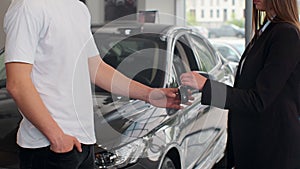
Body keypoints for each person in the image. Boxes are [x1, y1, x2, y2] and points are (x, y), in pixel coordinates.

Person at [3, 0, 181, 169]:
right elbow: (17, 83)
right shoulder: (28, 7)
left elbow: (96, 68)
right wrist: (57, 137)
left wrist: (148, 94)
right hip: (48, 147)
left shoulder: (78, 9)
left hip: (83, 143)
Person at [181, 0, 300, 168]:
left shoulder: (285, 34)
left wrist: (207, 86)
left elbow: (258, 100)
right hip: (256, 145)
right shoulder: (266, 31)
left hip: (273, 149)